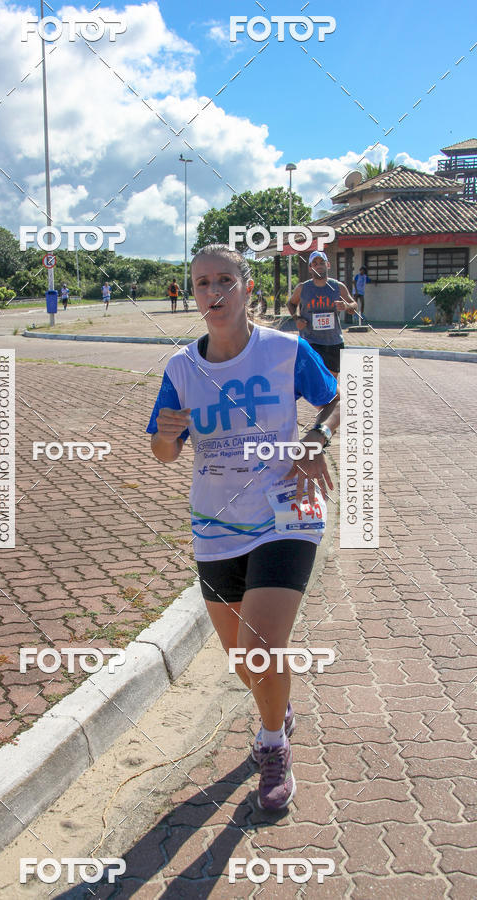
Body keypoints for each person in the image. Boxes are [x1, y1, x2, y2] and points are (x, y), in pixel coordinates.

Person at [147, 244, 341, 812]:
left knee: (260, 646)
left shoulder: (286, 350)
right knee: (243, 660)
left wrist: (316, 439)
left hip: (287, 511)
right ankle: (277, 707)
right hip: (215, 522)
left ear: (246, 287)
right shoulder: (182, 368)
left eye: (225, 281)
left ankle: (272, 744)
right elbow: (163, 452)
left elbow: (336, 401)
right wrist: (166, 433)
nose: (214, 292)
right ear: (193, 294)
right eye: (203, 283)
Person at [286, 250, 356, 378]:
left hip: (333, 341)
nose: (319, 265)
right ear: (310, 268)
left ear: (327, 265)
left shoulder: (338, 287)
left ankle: (330, 397)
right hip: (310, 341)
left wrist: (346, 306)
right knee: (313, 379)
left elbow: (354, 306)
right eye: (315, 263)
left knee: (332, 380)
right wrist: (297, 319)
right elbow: (290, 304)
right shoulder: (302, 288)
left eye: (321, 262)